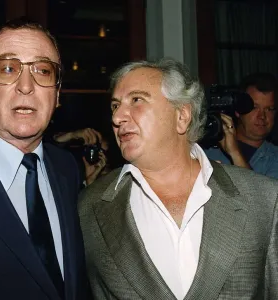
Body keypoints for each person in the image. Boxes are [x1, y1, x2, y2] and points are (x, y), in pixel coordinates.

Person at [78, 58, 278, 299]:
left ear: (182, 116)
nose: (118, 117)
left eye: (137, 100)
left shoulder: (264, 198)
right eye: (114, 106)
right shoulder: (90, 206)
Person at [0, 18, 87, 299]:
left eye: (43, 70)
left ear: (58, 92)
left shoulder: (67, 169)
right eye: (8, 69)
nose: (26, 86)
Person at [204, 72, 278, 178]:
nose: (262, 116)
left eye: (269, 109)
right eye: (254, 108)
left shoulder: (274, 158)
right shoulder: (209, 149)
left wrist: (235, 152)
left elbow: (259, 194)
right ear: (238, 110)